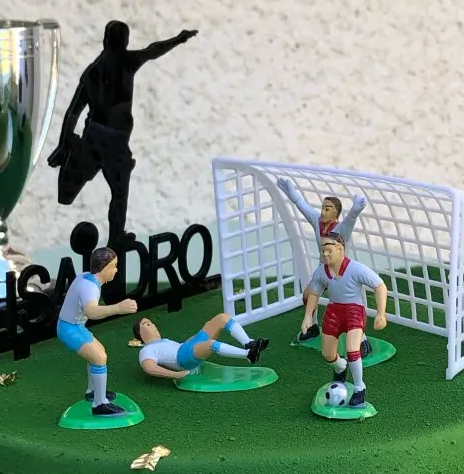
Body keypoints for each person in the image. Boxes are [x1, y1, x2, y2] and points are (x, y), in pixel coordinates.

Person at [47, 20, 197, 248]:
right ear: (123, 41)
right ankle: (114, 237)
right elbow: (152, 50)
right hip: (100, 140)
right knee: (90, 193)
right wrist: (63, 144)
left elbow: (73, 112)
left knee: (118, 193)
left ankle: (116, 239)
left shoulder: (104, 68)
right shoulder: (117, 65)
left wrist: (178, 39)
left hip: (110, 142)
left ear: (106, 41)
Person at [278, 178, 367, 342]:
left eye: (328, 209)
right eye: (322, 208)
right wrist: (293, 195)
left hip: (341, 271)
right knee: (308, 295)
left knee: (346, 305)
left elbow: (350, 220)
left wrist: (355, 210)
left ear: (336, 213)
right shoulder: (317, 222)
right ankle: (312, 326)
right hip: (323, 268)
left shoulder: (341, 228)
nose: (323, 212)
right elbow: (303, 206)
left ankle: (362, 340)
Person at [306, 235, 389, 409]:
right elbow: (314, 293)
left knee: (352, 350)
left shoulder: (356, 269)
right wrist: (307, 317)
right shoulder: (321, 272)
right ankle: (340, 367)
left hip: (353, 311)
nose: (325, 254)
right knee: (327, 355)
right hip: (333, 312)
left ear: (340, 249)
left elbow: (380, 286)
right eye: (323, 250)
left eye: (329, 250)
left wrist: (381, 314)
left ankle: (359, 388)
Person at [57, 246, 138, 416]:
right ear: (104, 267)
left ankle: (92, 392)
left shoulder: (87, 278)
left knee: (98, 353)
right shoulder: (89, 287)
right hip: (69, 328)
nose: (116, 270)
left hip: (75, 326)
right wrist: (118, 308)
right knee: (99, 357)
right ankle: (99, 404)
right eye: (114, 266)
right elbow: (91, 312)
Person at [134, 312, 268, 380]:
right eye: (146, 324)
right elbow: (149, 367)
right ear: (140, 334)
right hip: (183, 358)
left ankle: (250, 344)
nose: (152, 325)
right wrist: (176, 375)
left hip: (187, 346)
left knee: (222, 318)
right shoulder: (147, 350)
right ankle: (249, 355)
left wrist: (194, 339)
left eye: (151, 322)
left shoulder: (163, 341)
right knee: (210, 345)